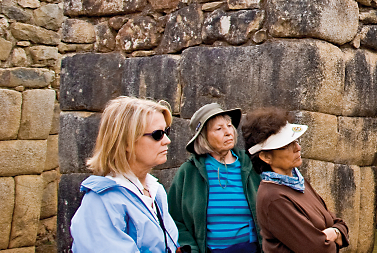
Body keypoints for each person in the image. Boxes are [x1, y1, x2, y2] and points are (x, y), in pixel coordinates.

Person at [70, 96, 180, 253]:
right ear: (127, 141)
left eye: (167, 131)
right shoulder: (102, 201)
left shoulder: (156, 191)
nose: (167, 140)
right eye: (158, 134)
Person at [241, 108, 349, 253]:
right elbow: (317, 249)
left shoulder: (298, 182)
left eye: (296, 141)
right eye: (286, 146)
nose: (297, 148)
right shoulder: (273, 198)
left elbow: (339, 223)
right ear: (266, 157)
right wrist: (334, 235)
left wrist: (334, 232)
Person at [168, 103, 261, 253]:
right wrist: (191, 249)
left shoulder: (251, 165)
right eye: (219, 129)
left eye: (229, 126)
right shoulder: (189, 172)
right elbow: (174, 219)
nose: (228, 132)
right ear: (203, 137)